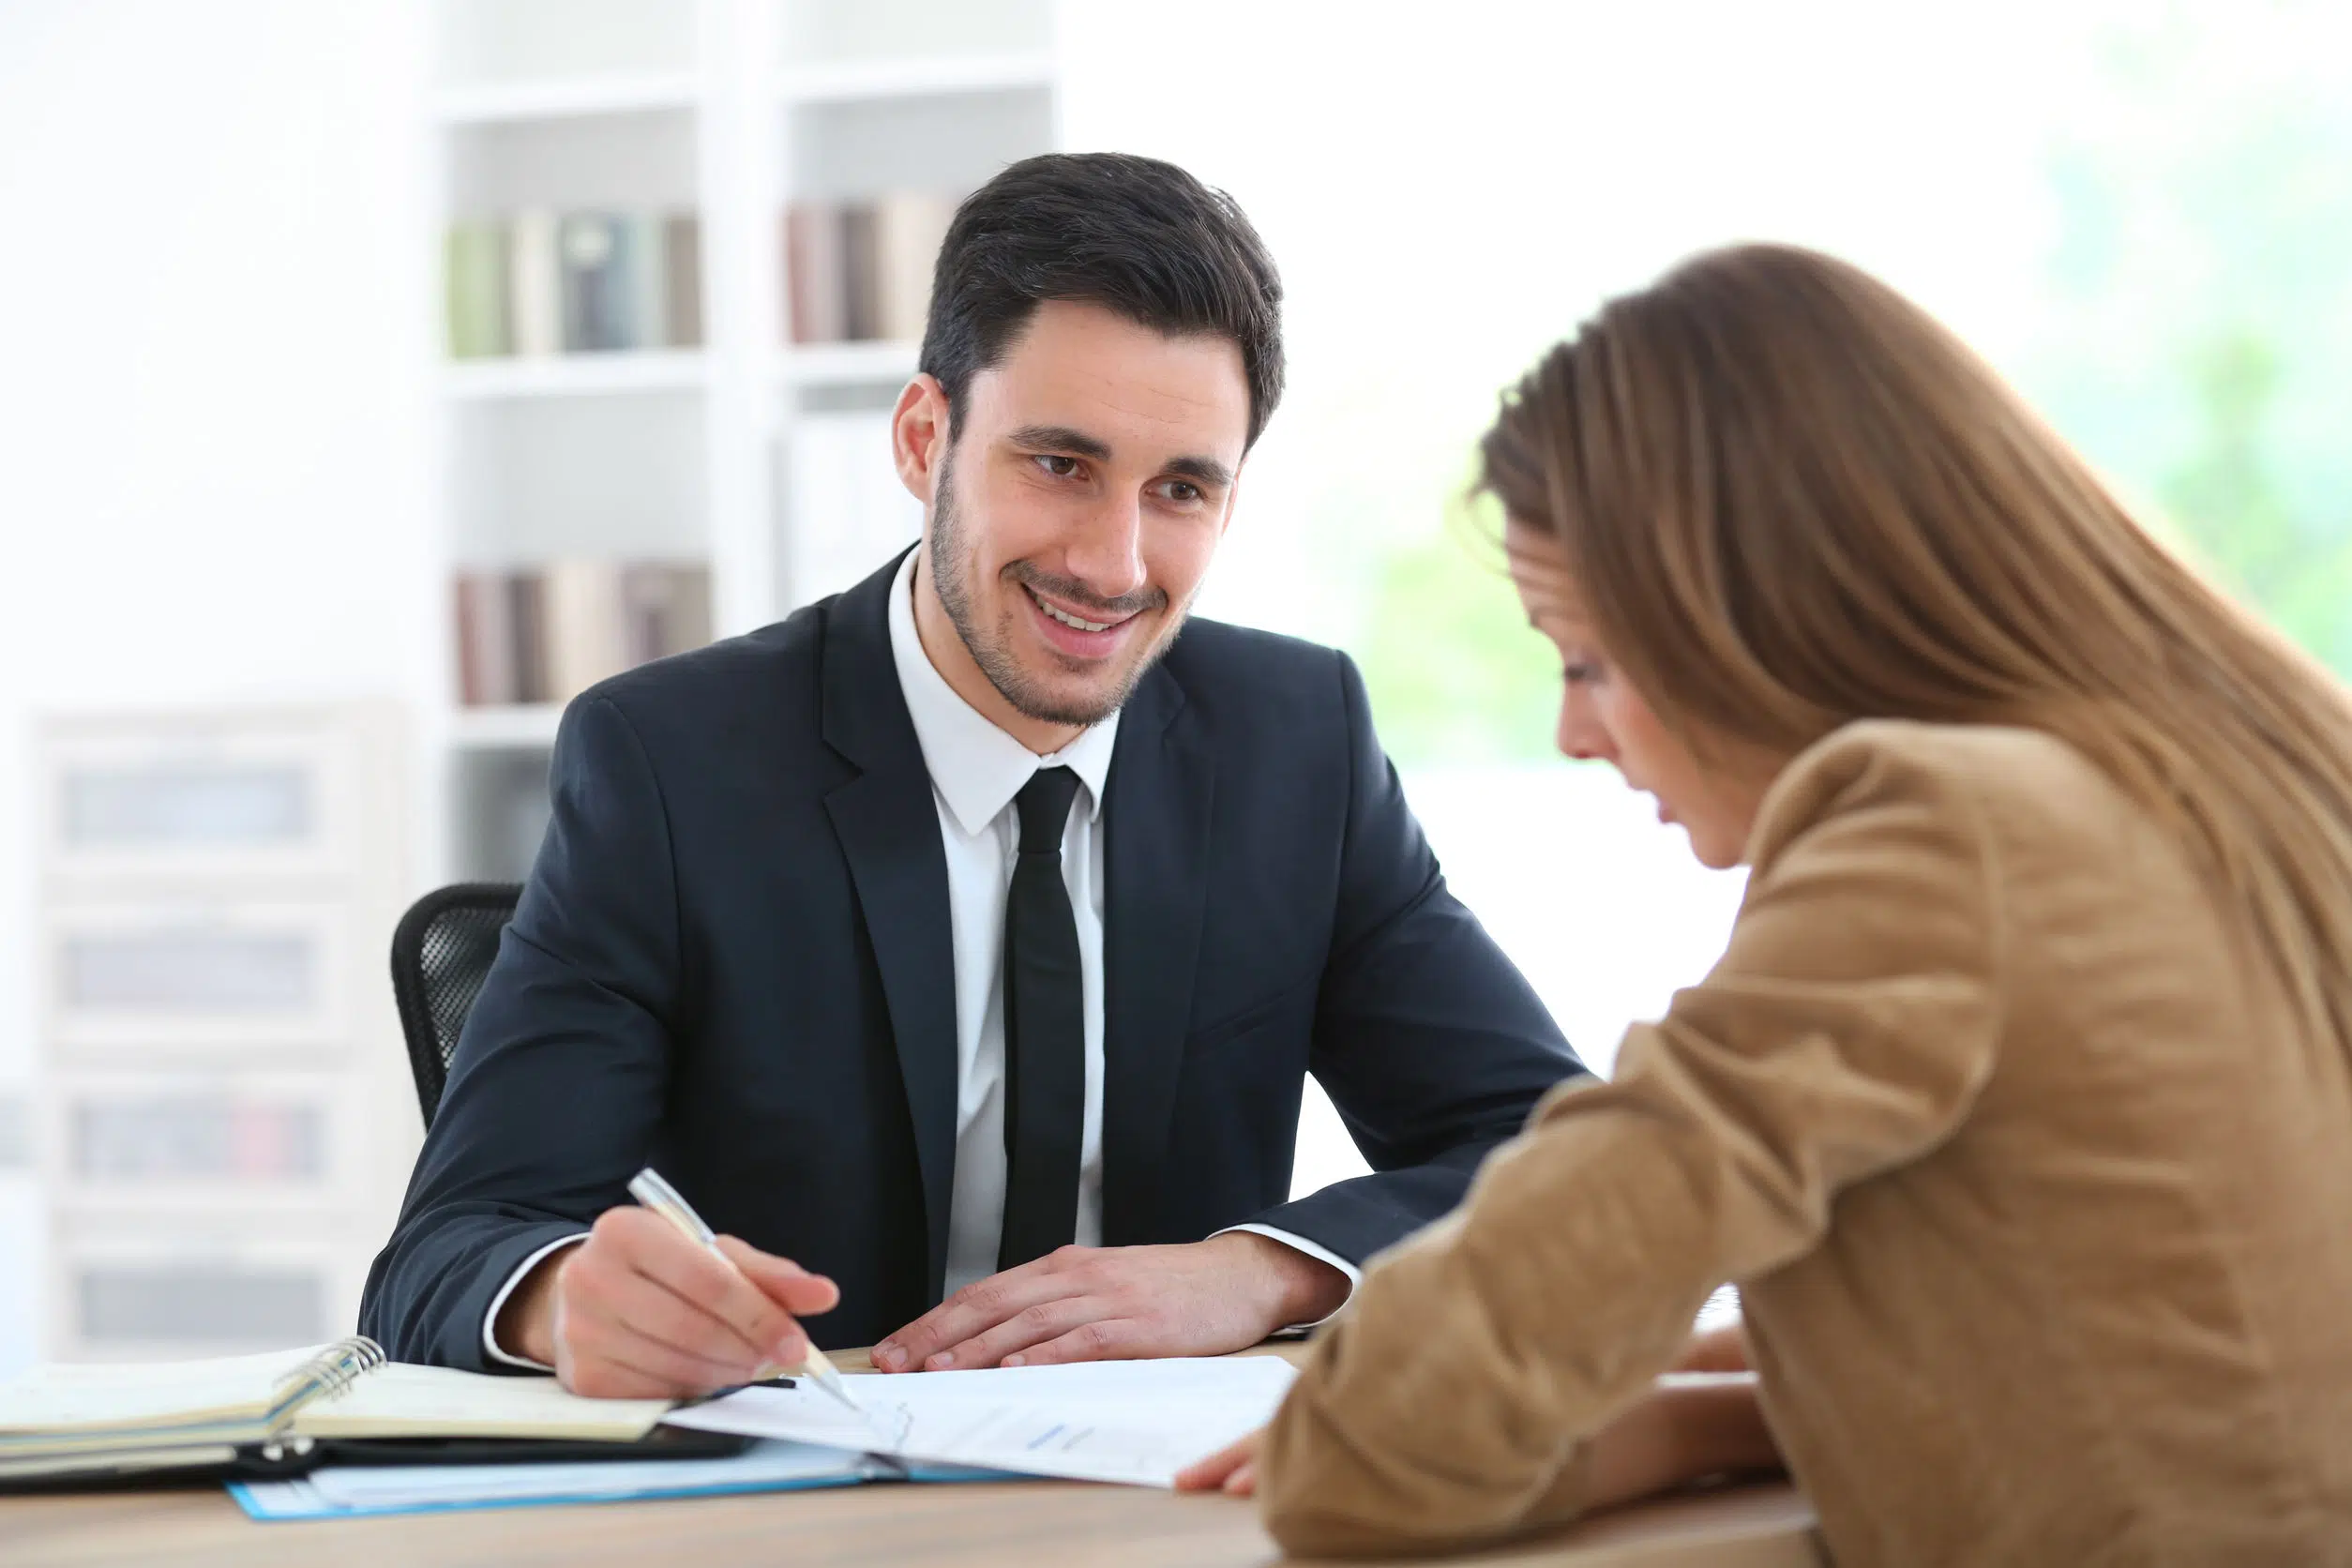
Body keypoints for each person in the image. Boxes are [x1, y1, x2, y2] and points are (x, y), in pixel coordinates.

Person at [1178, 243, 2352, 1563]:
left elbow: (1375, 1443)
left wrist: (1585, 1432)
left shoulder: (1945, 831)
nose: (1575, 734)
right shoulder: (2238, 783)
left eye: (1590, 660)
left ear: (1763, 607)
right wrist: (1688, 1427)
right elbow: (2079, 1338)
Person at [359, 152, 1586, 1396]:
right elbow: (446, 1255)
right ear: (922, 438)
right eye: (1060, 465)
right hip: (806, 1489)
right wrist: (567, 1302)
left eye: (1181, 490)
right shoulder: (669, 764)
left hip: (1161, 1498)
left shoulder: (1295, 742)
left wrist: (1263, 1271)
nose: (1114, 562)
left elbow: (1560, 1152)